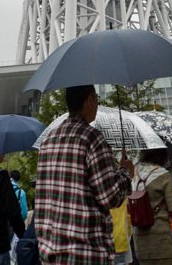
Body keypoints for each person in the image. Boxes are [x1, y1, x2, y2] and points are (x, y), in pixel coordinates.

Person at [35, 84, 134, 263]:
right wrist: (125, 172)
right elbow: (110, 196)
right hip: (86, 254)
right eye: (97, 99)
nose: (97, 104)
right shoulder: (92, 138)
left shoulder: (48, 141)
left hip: (50, 253)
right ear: (89, 100)